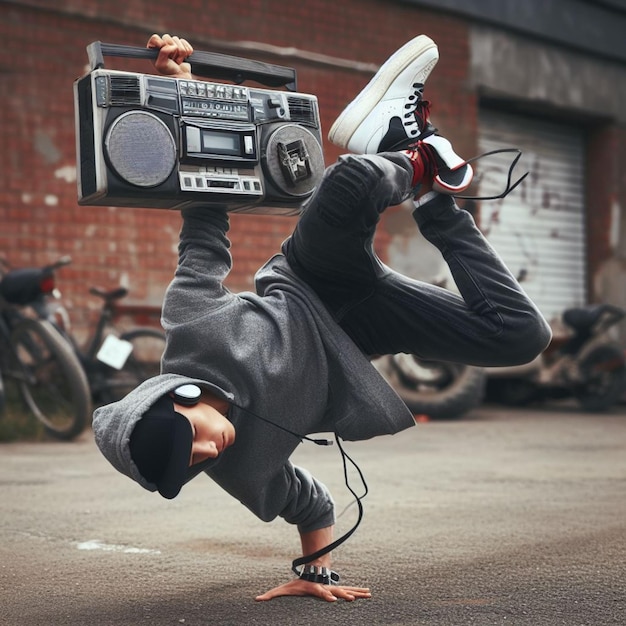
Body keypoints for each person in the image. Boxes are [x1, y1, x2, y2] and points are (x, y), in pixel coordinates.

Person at [93, 33, 552, 603]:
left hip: (312, 279)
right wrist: (315, 575)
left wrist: (179, 90)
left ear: (178, 397)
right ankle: (433, 191)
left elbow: (203, 214)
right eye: (190, 467)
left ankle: (405, 153)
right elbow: (309, 501)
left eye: (191, 444)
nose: (207, 456)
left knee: (348, 182)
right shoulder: (240, 469)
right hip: (363, 330)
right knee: (522, 336)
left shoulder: (193, 327)